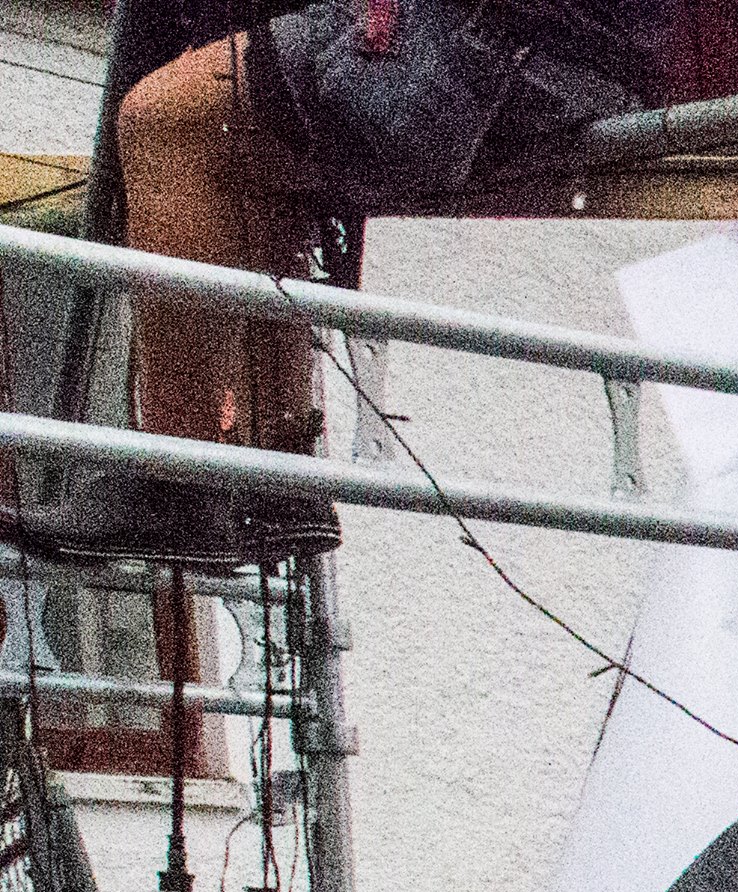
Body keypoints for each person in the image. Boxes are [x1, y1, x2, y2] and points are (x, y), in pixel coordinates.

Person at [35, 0, 672, 564]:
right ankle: (276, 478)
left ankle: (182, 475)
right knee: (256, 146)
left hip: (483, 46)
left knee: (165, 121)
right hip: (574, 64)